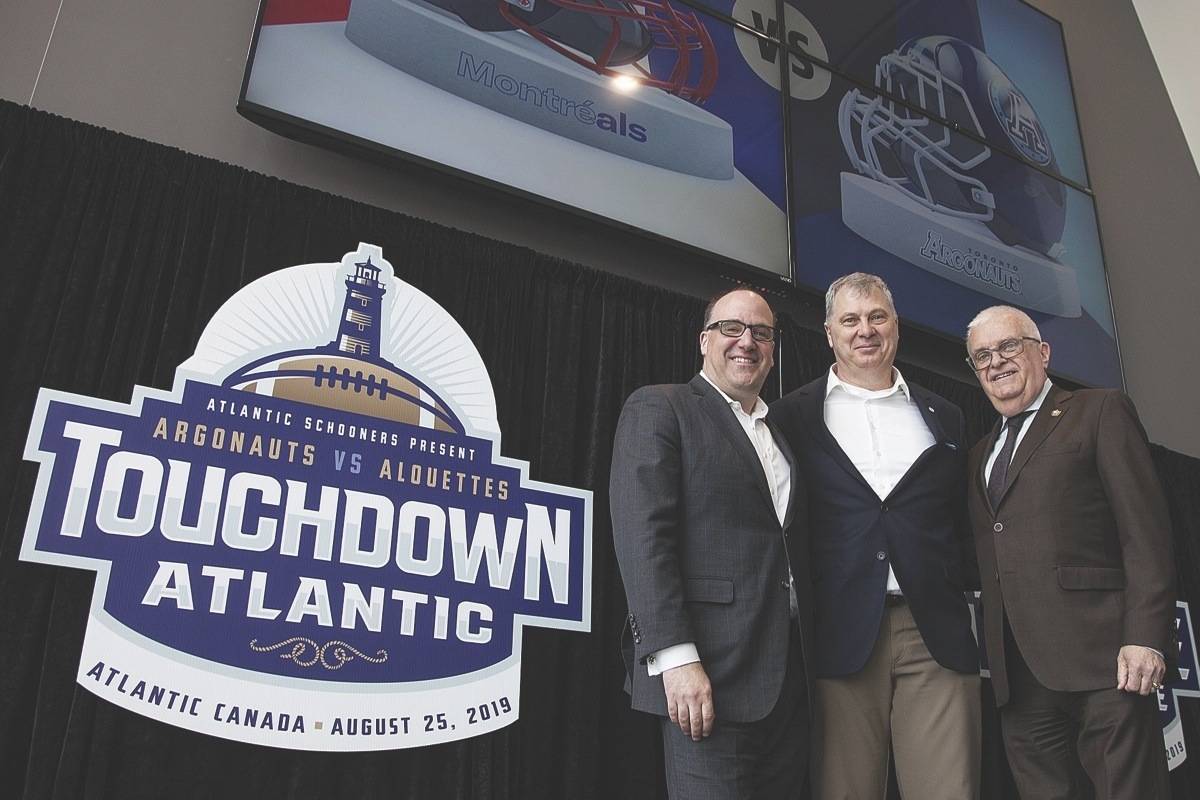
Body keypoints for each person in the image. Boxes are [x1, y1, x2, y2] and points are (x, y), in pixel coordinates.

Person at [771, 273, 980, 800]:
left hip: (934, 632)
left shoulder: (946, 416)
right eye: (850, 320)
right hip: (838, 635)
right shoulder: (792, 415)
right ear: (829, 333)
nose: (865, 330)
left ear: (896, 327)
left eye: (877, 317)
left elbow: (961, 521)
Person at [964, 305, 1175, 799]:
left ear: (1043, 351)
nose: (996, 362)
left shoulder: (1098, 410)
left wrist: (1145, 636)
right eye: (982, 356)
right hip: (1019, 674)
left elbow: (1145, 532)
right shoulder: (978, 455)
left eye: (1009, 346)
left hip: (1106, 661)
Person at [610, 287, 811, 799]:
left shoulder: (780, 434)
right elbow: (642, 538)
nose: (747, 342)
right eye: (732, 329)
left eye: (761, 334)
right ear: (705, 341)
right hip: (707, 679)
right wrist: (675, 659)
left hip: (787, 683)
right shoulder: (661, 407)